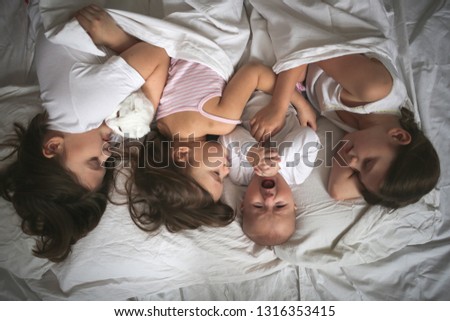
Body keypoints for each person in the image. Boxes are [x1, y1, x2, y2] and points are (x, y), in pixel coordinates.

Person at [78, 5, 317, 205]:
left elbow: (254, 72)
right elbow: (159, 60)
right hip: (180, 19)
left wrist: (293, 103)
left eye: (216, 174)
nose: (226, 171)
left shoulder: (220, 120)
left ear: (182, 154)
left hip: (220, 20)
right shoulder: (155, 118)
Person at [0, 6, 170, 261]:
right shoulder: (60, 108)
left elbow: (159, 55)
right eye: (105, 163)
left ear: (53, 147)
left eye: (94, 161)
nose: (106, 153)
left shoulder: (81, 111)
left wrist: (144, 113)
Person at [250, 54, 440, 209]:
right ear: (398, 135)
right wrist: (279, 106)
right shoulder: (374, 89)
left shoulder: (369, 132)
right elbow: (306, 49)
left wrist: (383, 186)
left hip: (307, 76)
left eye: (356, 173)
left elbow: (338, 190)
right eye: (368, 162)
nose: (350, 162)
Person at [219, 92, 320, 245]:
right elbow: (309, 136)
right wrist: (280, 161)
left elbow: (227, 136)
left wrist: (251, 152)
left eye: (258, 206)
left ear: (243, 204)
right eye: (280, 205)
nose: (269, 197)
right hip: (284, 93)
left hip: (245, 91)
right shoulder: (297, 174)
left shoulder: (239, 175)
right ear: (293, 205)